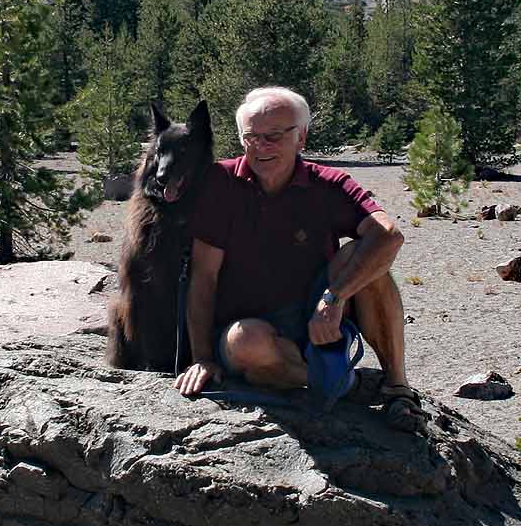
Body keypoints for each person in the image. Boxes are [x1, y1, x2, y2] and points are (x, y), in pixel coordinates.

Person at [173, 86, 419, 425]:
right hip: (246, 326)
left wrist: (334, 299)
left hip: (316, 316)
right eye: (251, 137)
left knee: (367, 257)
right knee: (246, 342)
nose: (261, 146)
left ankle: (397, 386)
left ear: (301, 137)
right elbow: (204, 277)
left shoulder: (327, 184)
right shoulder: (221, 184)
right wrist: (201, 357)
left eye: (274, 135)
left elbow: (389, 235)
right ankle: (339, 381)